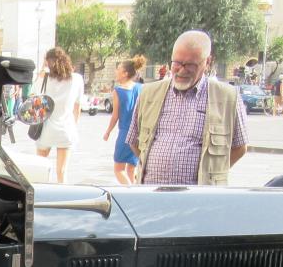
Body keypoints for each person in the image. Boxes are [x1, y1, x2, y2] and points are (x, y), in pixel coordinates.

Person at [125, 29, 247, 186]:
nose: (181, 70)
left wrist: (211, 172)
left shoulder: (227, 97)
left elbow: (239, 147)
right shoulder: (149, 93)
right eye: (176, 63)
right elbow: (134, 141)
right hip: (152, 195)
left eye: (190, 64)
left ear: (207, 62)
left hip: (199, 200)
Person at [34, 47, 84, 183]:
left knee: (41, 169)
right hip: (66, 128)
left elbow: (35, 100)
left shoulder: (44, 79)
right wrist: (74, 125)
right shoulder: (77, 79)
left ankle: (42, 198)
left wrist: (41, 72)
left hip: (46, 129)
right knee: (62, 172)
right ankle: (62, 199)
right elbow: (77, 106)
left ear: (48, 62)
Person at [103, 55, 145, 185]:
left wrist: (108, 131)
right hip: (138, 133)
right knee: (131, 169)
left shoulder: (118, 90)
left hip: (125, 132)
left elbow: (115, 115)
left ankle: (132, 192)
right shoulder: (140, 88)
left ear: (125, 73)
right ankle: (134, 192)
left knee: (118, 169)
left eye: (118, 69)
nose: (116, 71)